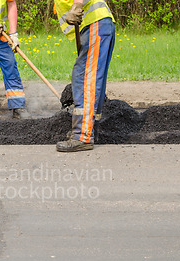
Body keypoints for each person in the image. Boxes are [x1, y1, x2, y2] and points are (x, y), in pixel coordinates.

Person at [54, 0, 115, 152]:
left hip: (95, 23)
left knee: (84, 78)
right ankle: (91, 129)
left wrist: (78, 5)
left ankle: (82, 135)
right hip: (97, 24)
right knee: (94, 80)